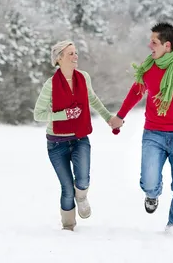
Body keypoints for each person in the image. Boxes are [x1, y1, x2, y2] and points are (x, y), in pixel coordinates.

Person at [109, 22, 173, 231]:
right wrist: (120, 116)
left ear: (167, 45)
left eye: (153, 42)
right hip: (153, 134)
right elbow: (136, 92)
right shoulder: (148, 67)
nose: (150, 46)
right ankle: (152, 193)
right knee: (148, 181)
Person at [34, 40, 121, 231]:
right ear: (59, 58)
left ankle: (81, 197)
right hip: (56, 143)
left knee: (82, 180)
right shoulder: (50, 85)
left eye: (76, 53)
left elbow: (93, 99)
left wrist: (109, 118)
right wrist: (63, 115)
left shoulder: (84, 77)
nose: (76, 57)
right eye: (70, 54)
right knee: (66, 188)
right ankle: (68, 227)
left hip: (80, 138)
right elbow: (37, 114)